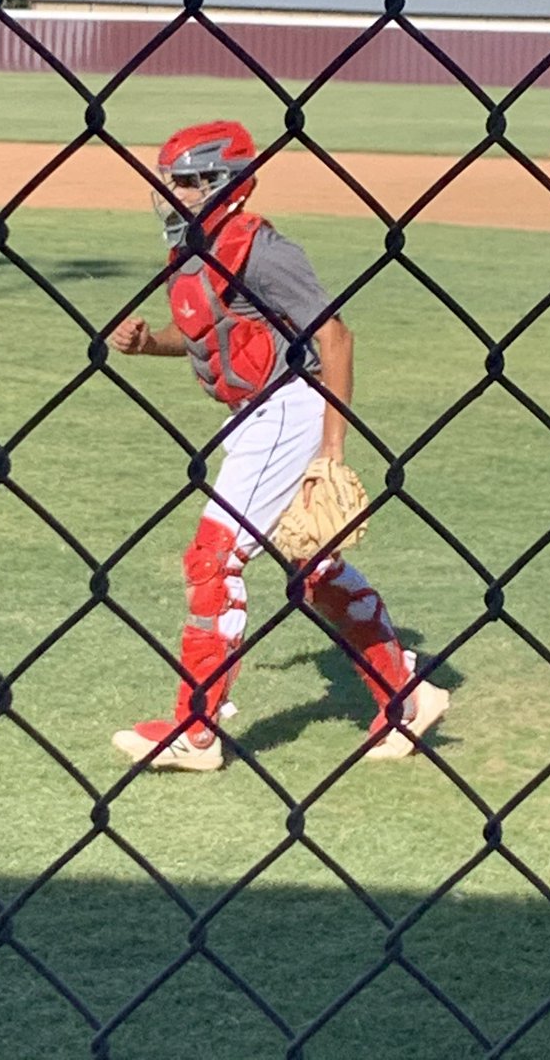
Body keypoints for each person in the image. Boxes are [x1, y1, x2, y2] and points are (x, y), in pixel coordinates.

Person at [108, 120, 449, 772]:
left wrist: (331, 451)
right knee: (313, 569)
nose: (174, 193)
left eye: (188, 181)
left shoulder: (262, 249)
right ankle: (408, 696)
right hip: (257, 417)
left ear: (225, 183)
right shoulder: (197, 249)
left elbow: (335, 338)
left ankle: (196, 730)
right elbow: (218, 337)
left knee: (213, 559)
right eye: (171, 182)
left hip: (288, 408)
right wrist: (151, 344)